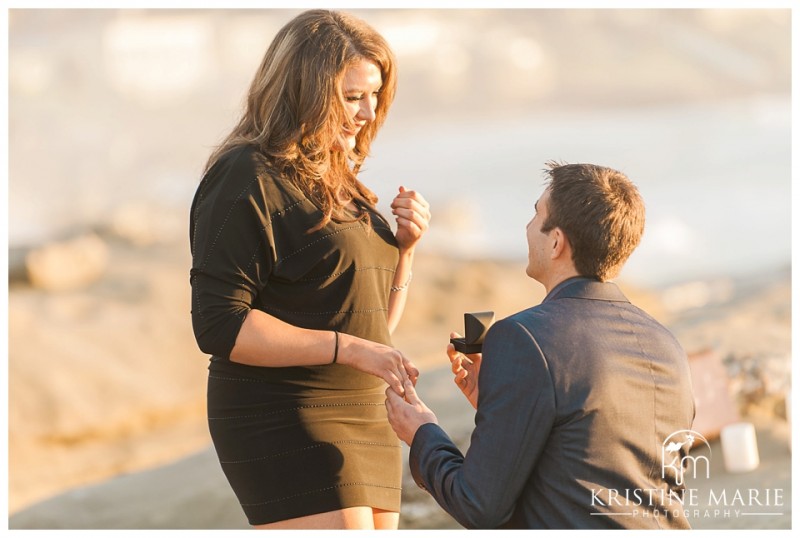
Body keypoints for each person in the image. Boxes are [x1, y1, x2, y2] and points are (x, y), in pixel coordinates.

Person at [189, 10, 430, 530]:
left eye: (375, 95)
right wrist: (351, 349)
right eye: (351, 96)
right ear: (305, 90)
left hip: (366, 410)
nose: (368, 112)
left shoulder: (344, 182)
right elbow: (218, 324)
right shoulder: (245, 175)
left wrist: (405, 249)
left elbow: (371, 320)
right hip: (284, 410)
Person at [385, 162, 695, 529]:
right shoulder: (667, 346)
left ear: (556, 242)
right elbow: (610, 469)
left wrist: (422, 432)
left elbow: (477, 504)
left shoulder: (525, 338)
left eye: (536, 214)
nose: (528, 226)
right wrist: (500, 402)